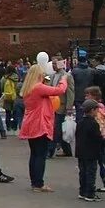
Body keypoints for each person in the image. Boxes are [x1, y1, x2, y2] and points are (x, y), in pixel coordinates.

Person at [18, 64, 68, 192]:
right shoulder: (38, 87)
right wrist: (64, 80)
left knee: (34, 154)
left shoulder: (27, 89)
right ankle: (39, 184)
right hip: (40, 124)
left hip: (30, 123)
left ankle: (34, 182)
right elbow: (59, 91)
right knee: (40, 154)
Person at [76, 99, 105, 201]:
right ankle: (90, 193)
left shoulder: (80, 122)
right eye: (97, 110)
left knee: (83, 172)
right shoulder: (93, 123)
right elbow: (98, 138)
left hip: (81, 151)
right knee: (91, 173)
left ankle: (82, 191)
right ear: (92, 110)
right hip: (91, 152)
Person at [83, 85, 105, 193]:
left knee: (101, 162)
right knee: (102, 161)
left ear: (94, 96)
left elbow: (99, 124)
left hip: (98, 139)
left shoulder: (96, 109)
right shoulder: (100, 107)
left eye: (88, 95)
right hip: (100, 137)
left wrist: (98, 135)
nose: (85, 97)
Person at [49, 60, 75, 158]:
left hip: (62, 106)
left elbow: (70, 92)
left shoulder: (67, 76)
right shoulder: (52, 75)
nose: (53, 65)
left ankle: (50, 150)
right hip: (53, 106)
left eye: (55, 64)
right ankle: (67, 150)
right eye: (52, 64)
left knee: (57, 129)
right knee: (60, 129)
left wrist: (69, 108)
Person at [2, 66, 20, 131]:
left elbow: (1, 86)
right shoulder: (17, 77)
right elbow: (19, 87)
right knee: (15, 112)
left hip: (7, 96)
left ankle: (8, 126)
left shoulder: (4, 78)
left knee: (8, 113)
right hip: (15, 97)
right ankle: (15, 126)